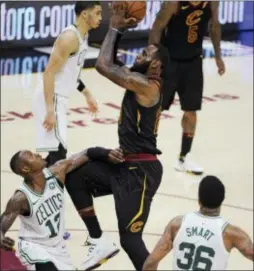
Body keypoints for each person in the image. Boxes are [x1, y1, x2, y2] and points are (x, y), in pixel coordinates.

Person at [64, 5, 170, 271]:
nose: (140, 54)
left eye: (145, 53)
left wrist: (114, 27)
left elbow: (102, 65)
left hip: (141, 173)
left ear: (156, 64)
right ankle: (98, 241)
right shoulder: (139, 78)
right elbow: (110, 60)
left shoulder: (147, 86)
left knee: (131, 239)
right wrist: (119, 31)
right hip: (124, 161)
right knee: (75, 175)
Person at [0, 147, 124, 271]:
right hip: (34, 248)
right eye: (31, 156)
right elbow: (3, 223)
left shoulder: (58, 171)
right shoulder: (21, 198)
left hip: (59, 249)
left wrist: (106, 153)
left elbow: (85, 153)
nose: (37, 154)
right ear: (26, 168)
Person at [148, 1, 226, 175]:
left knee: (191, 111)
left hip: (193, 62)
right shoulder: (173, 3)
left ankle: (184, 157)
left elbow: (214, 26)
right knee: (155, 109)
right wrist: (153, 59)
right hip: (170, 61)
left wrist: (218, 56)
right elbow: (157, 28)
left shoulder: (211, 2)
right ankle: (143, 152)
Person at [32, 1, 102, 167]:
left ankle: (36, 187)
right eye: (98, 13)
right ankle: (38, 188)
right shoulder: (69, 38)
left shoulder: (83, 36)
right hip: (51, 97)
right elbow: (49, 73)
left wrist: (87, 94)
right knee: (59, 154)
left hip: (58, 98)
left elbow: (71, 74)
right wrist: (49, 109)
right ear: (85, 14)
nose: (101, 18)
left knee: (56, 154)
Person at [143, 176, 254, 270]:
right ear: (222, 199)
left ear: (199, 199)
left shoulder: (177, 224)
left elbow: (150, 263)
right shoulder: (232, 233)